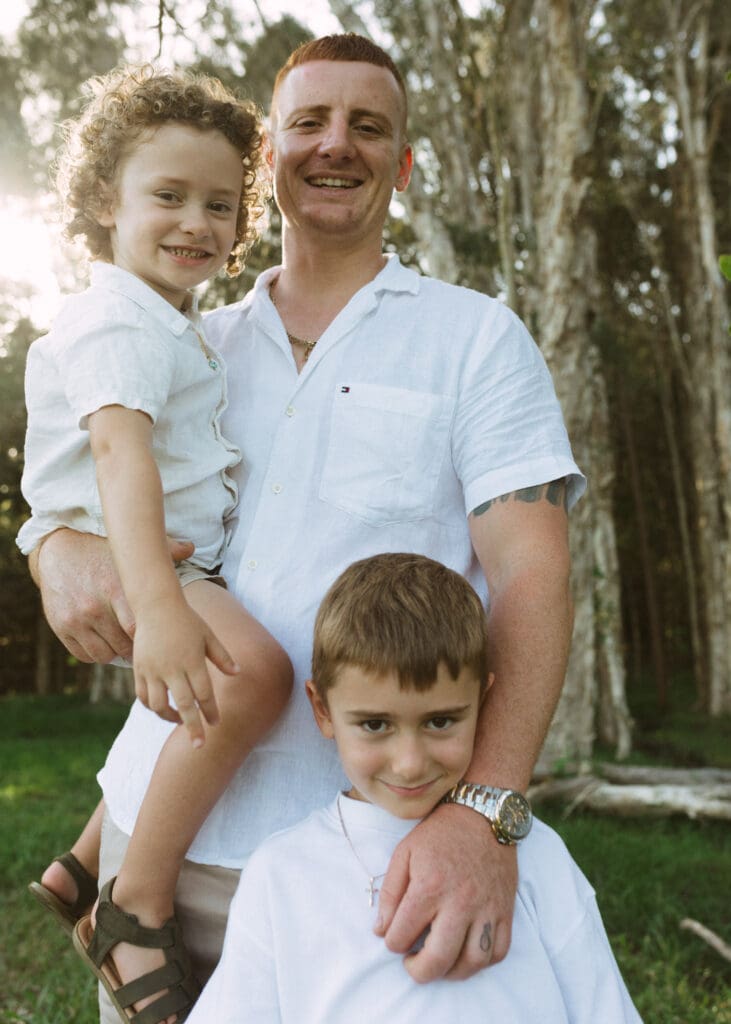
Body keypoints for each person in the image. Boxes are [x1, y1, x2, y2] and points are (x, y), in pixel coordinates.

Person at [30, 34, 587, 1022]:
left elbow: (533, 581)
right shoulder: (187, 341)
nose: (337, 145)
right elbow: (91, 477)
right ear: (268, 162)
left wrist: (484, 815)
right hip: (162, 841)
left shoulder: (473, 338)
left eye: (366, 127)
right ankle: (113, 896)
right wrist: (47, 547)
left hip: (370, 861)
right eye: (308, 124)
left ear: (401, 163)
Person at [18, 65, 292, 1023]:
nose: (197, 223)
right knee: (251, 674)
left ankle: (81, 861)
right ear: (105, 199)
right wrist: (163, 604)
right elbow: (118, 456)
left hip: (158, 553)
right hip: (135, 551)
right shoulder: (122, 322)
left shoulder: (162, 317)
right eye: (167, 196)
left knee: (183, 698)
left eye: (221, 203)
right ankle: (132, 904)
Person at [188, 553, 642, 1024]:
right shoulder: (281, 875)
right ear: (322, 710)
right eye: (375, 724)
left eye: (440, 721)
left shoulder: (535, 854)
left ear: (483, 702)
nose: (409, 764)